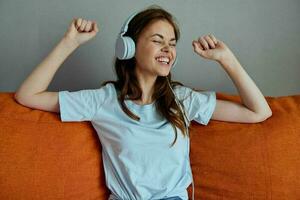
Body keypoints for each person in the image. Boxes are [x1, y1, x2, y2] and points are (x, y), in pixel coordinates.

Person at [14, 5, 272, 200]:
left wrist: (226, 59)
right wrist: (69, 42)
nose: (168, 50)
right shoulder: (103, 100)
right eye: (157, 41)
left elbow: (258, 112)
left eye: (171, 43)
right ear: (128, 47)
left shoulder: (183, 99)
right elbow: (27, 95)